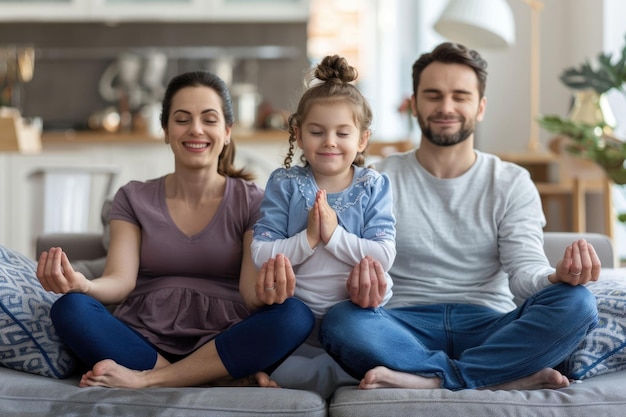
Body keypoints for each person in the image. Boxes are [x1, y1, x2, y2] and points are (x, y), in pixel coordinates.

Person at [319, 42, 601, 392]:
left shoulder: (511, 181)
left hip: (491, 327)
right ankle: (497, 378)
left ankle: (430, 379)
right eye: (433, 95)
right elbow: (354, 262)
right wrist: (363, 289)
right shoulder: (375, 179)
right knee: (341, 321)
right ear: (415, 103)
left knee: (577, 302)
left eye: (460, 96)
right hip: (401, 326)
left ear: (480, 107)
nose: (446, 107)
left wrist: (556, 276)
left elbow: (524, 274)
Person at [36, 70, 315, 389]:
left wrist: (271, 293)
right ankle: (215, 379)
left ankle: (152, 381)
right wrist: (83, 285)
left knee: (294, 315)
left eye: (209, 119)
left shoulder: (252, 201)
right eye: (182, 119)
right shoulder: (132, 197)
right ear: (166, 130)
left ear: (227, 132)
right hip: (142, 340)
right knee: (70, 307)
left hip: (224, 343)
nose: (196, 129)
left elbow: (251, 297)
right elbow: (120, 281)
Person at [250, 55, 396, 397]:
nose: (330, 141)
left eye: (342, 133)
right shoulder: (285, 183)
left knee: (366, 332)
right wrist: (309, 237)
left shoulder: (373, 186)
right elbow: (260, 253)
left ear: (362, 140)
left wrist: (333, 236)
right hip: (293, 316)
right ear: (298, 135)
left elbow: (383, 255)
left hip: (353, 316)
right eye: (317, 132)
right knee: (275, 329)